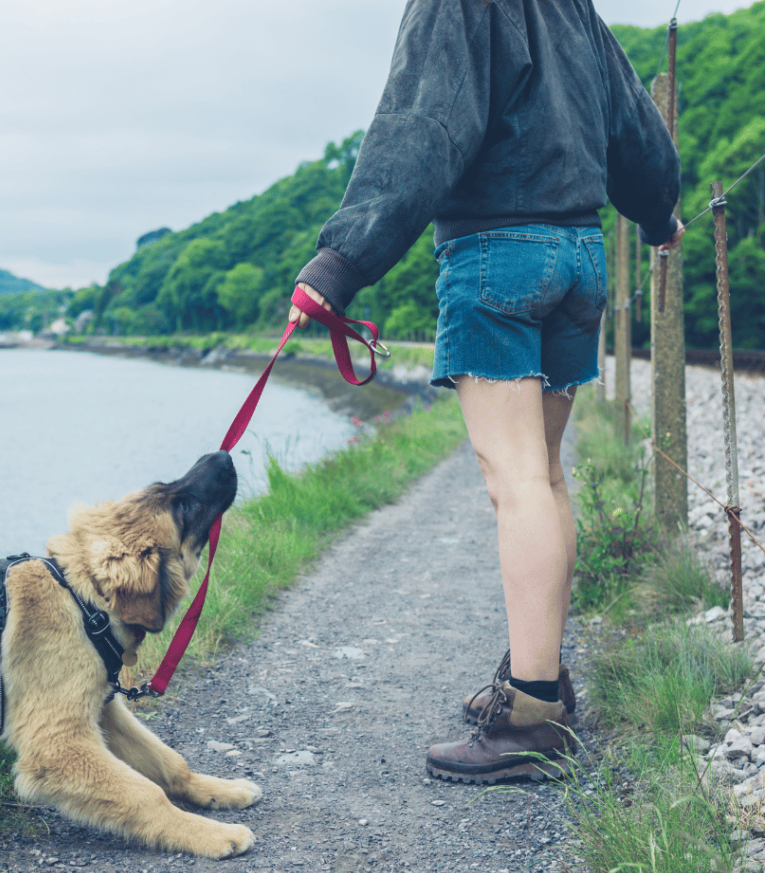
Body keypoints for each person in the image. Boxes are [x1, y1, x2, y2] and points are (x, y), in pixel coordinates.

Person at [287, 0, 684, 783]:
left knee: (516, 481)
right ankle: (540, 676)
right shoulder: (573, 7)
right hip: (579, 256)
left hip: (496, 257)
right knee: (544, 473)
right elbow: (635, 127)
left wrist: (341, 265)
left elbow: (421, 130)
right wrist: (657, 212)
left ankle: (533, 714)